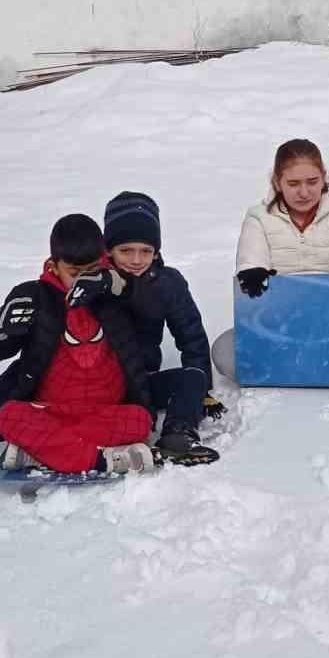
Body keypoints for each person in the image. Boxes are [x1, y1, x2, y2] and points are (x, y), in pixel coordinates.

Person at [0, 214, 156, 495]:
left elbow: (150, 311)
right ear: (54, 266)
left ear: (103, 259)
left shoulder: (116, 289)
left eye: (91, 270)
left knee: (141, 420)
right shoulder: (35, 296)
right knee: (9, 416)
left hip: (105, 411)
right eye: (74, 272)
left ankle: (38, 451)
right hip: (51, 411)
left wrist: (112, 285)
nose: (83, 280)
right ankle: (100, 459)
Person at [213, 138, 329, 380]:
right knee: (223, 352)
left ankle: (314, 361)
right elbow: (251, 253)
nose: (304, 192)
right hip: (283, 323)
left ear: (324, 178)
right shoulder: (259, 217)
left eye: (312, 182)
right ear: (277, 182)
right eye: (293, 183)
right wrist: (253, 270)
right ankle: (322, 362)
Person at [101, 190, 221, 466]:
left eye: (145, 251)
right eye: (126, 251)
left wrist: (200, 392)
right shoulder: (96, 281)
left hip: (144, 380)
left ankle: (178, 434)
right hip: (101, 385)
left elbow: (192, 337)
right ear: (109, 249)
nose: (136, 260)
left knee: (193, 377)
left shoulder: (168, 283)